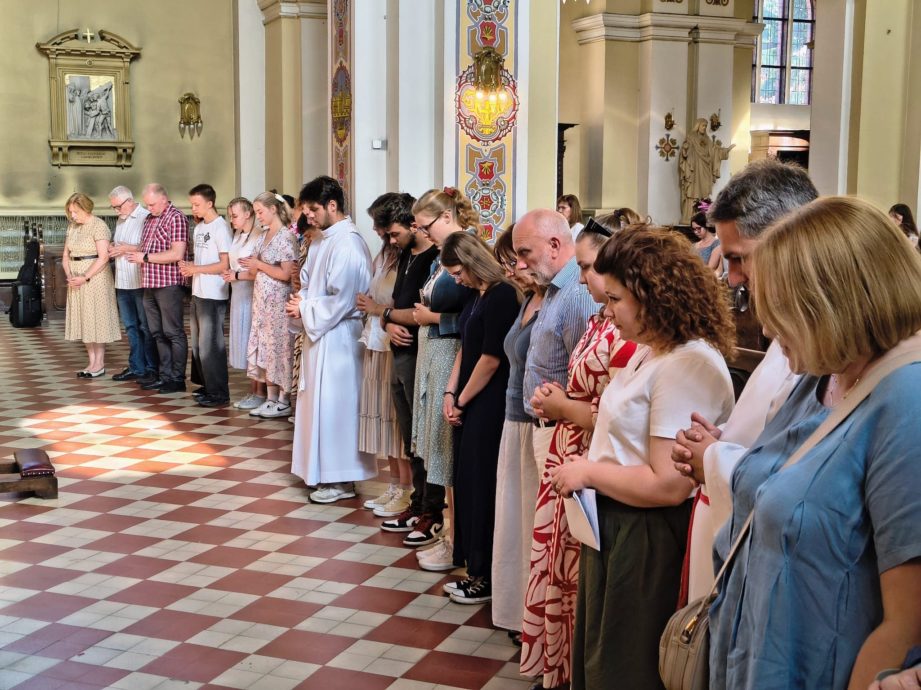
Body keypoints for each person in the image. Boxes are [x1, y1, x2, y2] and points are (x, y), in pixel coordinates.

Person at [708, 197, 921, 690]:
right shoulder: (820, 376)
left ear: (832, 304)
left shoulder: (905, 399)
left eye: (780, 309)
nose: (766, 328)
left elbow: (906, 628)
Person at [550, 225, 736, 689]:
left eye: (616, 299)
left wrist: (588, 471)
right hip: (617, 523)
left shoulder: (687, 364)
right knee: (602, 657)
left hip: (647, 534)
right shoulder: (653, 352)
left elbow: (668, 484)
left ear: (652, 295)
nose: (606, 310)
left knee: (626, 667)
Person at [670, 159, 818, 602]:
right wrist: (727, 440)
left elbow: (809, 483)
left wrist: (717, 458)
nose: (732, 278)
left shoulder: (829, 347)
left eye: (738, 258)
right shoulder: (787, 331)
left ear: (789, 239)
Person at [520, 217, 637, 689]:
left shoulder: (623, 328)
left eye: (589, 267)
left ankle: (573, 673)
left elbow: (618, 414)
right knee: (558, 567)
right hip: (569, 449)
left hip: (593, 457)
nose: (584, 277)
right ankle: (558, 670)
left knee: (576, 575)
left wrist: (564, 406)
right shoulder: (599, 317)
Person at [437, 232, 520, 603]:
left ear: (473, 262)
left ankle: (484, 575)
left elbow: (490, 359)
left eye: (458, 272)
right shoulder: (476, 294)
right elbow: (463, 349)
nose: (457, 280)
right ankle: (472, 567)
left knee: (482, 485)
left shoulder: (502, 295)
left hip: (488, 404)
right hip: (469, 399)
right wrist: (450, 393)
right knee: (466, 482)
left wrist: (463, 400)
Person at [287, 176, 376, 503]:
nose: (307, 215)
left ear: (332, 205)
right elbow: (309, 283)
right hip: (320, 334)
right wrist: (300, 302)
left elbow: (344, 299)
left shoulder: (348, 244)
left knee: (337, 407)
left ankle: (342, 479)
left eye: (313, 209)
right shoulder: (323, 239)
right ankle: (321, 472)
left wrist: (304, 307)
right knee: (319, 405)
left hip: (339, 338)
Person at [399, 188, 476, 549]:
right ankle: (446, 530)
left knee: (446, 448)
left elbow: (475, 313)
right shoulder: (440, 257)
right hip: (432, 351)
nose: (423, 233)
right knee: (432, 444)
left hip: (449, 351)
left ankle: (454, 537)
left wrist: (434, 318)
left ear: (447, 217)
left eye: (426, 226)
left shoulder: (468, 250)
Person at [512, 209, 597, 517]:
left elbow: (585, 375)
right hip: (547, 426)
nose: (520, 264)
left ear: (553, 245)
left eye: (525, 253)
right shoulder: (554, 287)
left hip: (565, 431)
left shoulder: (577, 292)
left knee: (557, 523)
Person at [375, 195, 443, 538]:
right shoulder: (405, 254)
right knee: (409, 437)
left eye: (395, 233)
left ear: (414, 225)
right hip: (399, 352)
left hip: (423, 354)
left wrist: (387, 315)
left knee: (423, 436)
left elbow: (419, 312)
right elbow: (395, 306)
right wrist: (388, 321)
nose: (391, 240)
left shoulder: (434, 258)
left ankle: (432, 509)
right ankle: (417, 503)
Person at [489, 227, 544, 635]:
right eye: (509, 263)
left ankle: (532, 613)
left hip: (535, 423)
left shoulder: (561, 300)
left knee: (528, 524)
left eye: (517, 260)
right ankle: (516, 610)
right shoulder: (527, 297)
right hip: (515, 417)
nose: (513, 270)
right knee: (513, 523)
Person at [354, 195, 407, 516]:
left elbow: (401, 302)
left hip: (391, 340)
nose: (377, 231)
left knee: (396, 420)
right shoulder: (385, 253)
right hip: (375, 337)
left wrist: (376, 307)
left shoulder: (407, 256)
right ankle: (394, 484)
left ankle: (407, 488)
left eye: (381, 225)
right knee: (383, 417)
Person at [127, 183, 190, 394]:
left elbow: (177, 253)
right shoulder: (149, 219)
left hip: (169, 283)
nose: (149, 208)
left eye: (152, 204)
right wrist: (130, 251)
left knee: (173, 332)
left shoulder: (176, 217)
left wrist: (144, 257)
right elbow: (145, 247)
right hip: (149, 283)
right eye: (147, 204)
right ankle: (164, 376)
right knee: (157, 332)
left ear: (164, 199)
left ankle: (177, 379)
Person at [242, 192, 299, 418]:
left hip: (278, 303)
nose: (258, 216)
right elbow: (256, 265)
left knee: (280, 349)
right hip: (262, 303)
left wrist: (259, 264)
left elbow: (286, 274)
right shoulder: (264, 235)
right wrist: (251, 264)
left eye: (260, 212)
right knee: (265, 349)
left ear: (273, 209)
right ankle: (271, 397)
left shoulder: (286, 236)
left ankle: (284, 399)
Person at [179, 184, 232, 407]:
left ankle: (219, 393)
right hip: (198, 291)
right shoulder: (199, 227)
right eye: (192, 204)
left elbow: (224, 264)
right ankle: (206, 386)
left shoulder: (221, 228)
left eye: (197, 204)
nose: (193, 208)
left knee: (211, 344)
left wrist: (196, 269)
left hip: (214, 293)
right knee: (199, 344)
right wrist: (191, 267)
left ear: (210, 203)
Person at [62, 192, 121, 376]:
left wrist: (85, 277)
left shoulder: (99, 225)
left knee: (95, 318)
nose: (73, 215)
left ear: (86, 208)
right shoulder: (72, 227)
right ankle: (92, 362)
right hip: (76, 279)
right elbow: (65, 255)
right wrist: (70, 276)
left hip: (95, 279)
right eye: (70, 212)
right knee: (84, 318)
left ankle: (99, 364)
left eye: (76, 212)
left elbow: (103, 257)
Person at [221, 197, 268, 410]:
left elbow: (260, 270)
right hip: (238, 294)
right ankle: (253, 390)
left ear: (248, 214)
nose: (232, 220)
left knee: (254, 342)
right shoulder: (239, 234)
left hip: (252, 294)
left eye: (235, 216)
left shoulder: (259, 235)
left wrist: (237, 275)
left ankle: (260, 391)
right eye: (230, 216)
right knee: (244, 340)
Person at [106, 185, 156, 382]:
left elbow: (151, 247)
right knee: (130, 327)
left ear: (129, 201)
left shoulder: (146, 217)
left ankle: (151, 368)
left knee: (145, 327)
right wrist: (113, 247)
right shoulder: (121, 219)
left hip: (140, 280)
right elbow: (121, 244)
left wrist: (127, 248)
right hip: (122, 281)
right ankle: (136, 367)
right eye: (113, 207)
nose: (116, 211)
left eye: (118, 206)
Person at [679, 117, 735, 222]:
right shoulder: (691, 137)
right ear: (698, 126)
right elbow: (685, 152)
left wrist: (725, 151)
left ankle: (702, 216)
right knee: (693, 191)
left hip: (705, 169)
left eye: (706, 126)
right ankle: (690, 216)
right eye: (703, 125)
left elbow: (714, 150)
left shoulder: (707, 139)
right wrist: (685, 149)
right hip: (694, 170)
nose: (704, 128)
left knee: (704, 191)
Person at [690, 211, 722, 276]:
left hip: (705, 278)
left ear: (706, 226)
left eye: (698, 228)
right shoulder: (694, 245)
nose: (696, 232)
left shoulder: (716, 243)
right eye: (694, 229)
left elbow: (710, 268)